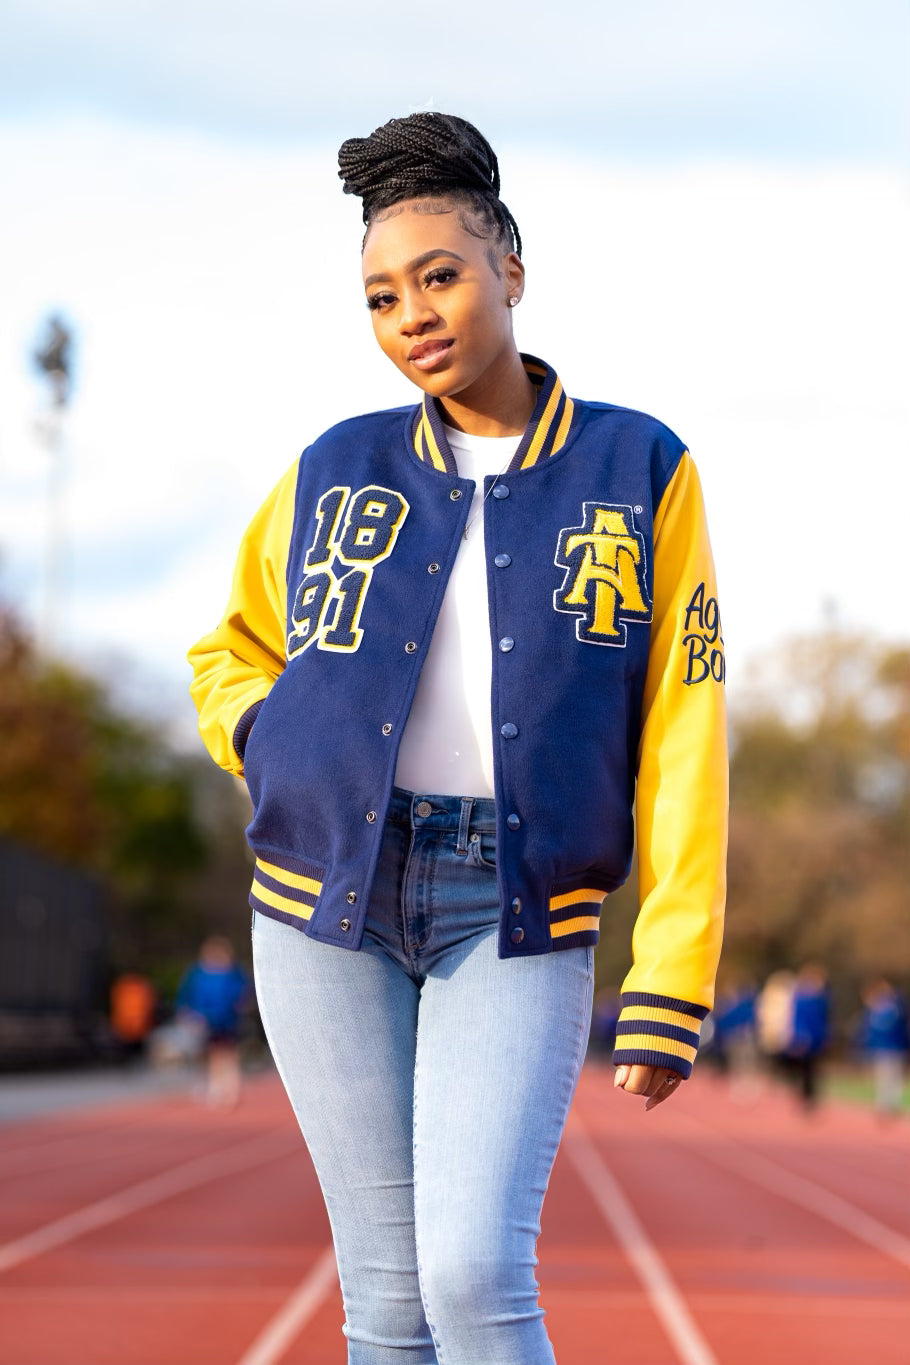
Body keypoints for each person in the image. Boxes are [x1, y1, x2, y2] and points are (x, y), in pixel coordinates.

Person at [188, 112, 727, 1365]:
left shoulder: (639, 465)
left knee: (475, 1272)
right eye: (381, 297)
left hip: (516, 901)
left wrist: (674, 966)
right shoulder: (336, 465)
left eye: (438, 277)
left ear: (511, 270)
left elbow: (685, 715)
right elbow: (230, 648)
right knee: (386, 1302)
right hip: (322, 901)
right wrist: (271, 739)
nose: (411, 316)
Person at [175, 936, 251, 1108]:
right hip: (203, 1020)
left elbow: (243, 992)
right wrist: (185, 1011)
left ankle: (230, 1087)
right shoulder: (198, 973)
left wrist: (240, 1005)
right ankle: (217, 1086)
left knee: (228, 1053)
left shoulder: (233, 972)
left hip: (226, 1019)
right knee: (212, 1054)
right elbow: (187, 992)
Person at [855, 978, 908, 1119]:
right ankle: (883, 1105)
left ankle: (893, 1104)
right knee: (883, 1076)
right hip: (881, 1048)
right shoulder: (873, 1011)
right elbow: (868, 1031)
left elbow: (902, 1015)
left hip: (897, 1046)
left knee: (895, 1076)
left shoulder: (896, 1005)